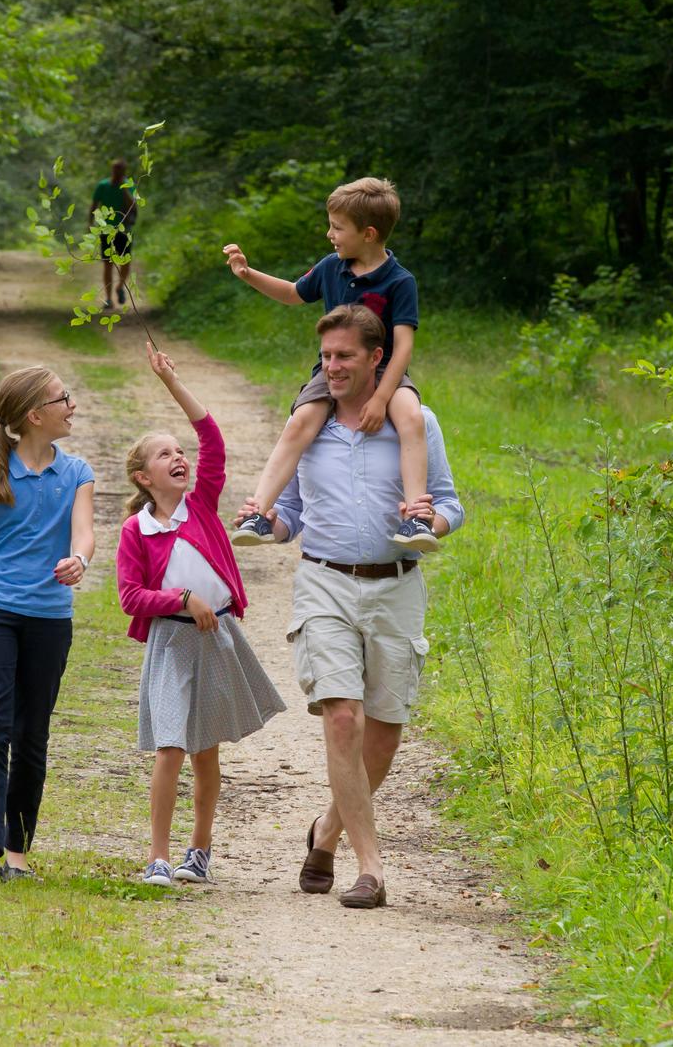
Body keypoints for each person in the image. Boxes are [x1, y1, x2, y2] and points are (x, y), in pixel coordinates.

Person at [234, 304, 464, 909]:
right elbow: (292, 518)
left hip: (397, 584)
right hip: (325, 582)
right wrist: (268, 522)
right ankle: (372, 868)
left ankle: (326, 833)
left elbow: (451, 505)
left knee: (383, 735)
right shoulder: (310, 426)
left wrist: (431, 520)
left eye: (345, 357)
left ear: (376, 360)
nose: (332, 368)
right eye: (326, 357)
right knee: (342, 718)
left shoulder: (417, 423)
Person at [116, 342, 285, 886]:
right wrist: (181, 601)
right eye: (164, 455)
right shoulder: (136, 530)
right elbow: (130, 596)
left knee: (205, 751)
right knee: (170, 746)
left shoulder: (204, 504)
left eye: (178, 451)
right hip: (172, 642)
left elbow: (211, 438)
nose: (179, 457)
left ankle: (200, 851)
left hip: (217, 639)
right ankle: (159, 857)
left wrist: (171, 380)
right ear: (144, 477)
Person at [0, 367, 95, 885]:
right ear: (35, 415)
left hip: (50, 619)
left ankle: (18, 851)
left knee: (31, 734)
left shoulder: (77, 473)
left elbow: (85, 535)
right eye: (62, 398)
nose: (71, 405)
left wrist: (79, 561)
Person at [224, 176, 439, 553]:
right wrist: (248, 274)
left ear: (369, 233)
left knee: (412, 418)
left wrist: (381, 397)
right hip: (334, 370)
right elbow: (293, 293)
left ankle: (416, 517)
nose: (330, 234)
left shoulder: (400, 281)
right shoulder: (331, 267)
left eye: (338, 228)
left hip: (384, 369)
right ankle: (259, 512)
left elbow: (403, 346)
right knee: (300, 423)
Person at [89, 157, 138, 308]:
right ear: (112, 170)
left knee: (126, 262)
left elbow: (133, 206)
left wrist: (124, 190)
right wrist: (89, 222)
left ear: (124, 171)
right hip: (106, 229)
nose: (117, 173)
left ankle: (120, 287)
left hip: (124, 229)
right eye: (115, 170)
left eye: (120, 171)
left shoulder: (129, 185)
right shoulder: (102, 186)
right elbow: (94, 204)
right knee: (108, 264)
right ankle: (108, 299)